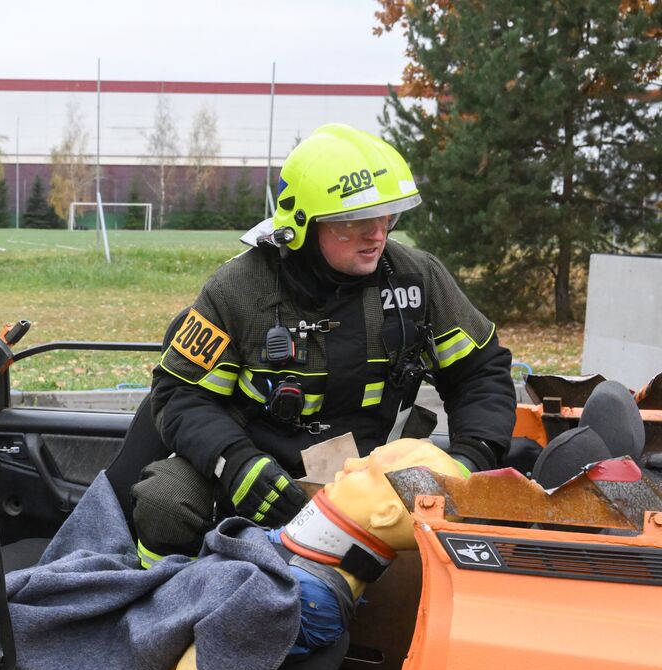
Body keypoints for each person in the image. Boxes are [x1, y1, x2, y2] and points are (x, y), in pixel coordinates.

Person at [131, 124, 516, 565]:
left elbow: (481, 371)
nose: (378, 234)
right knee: (165, 500)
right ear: (303, 225)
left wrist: (466, 462)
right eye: (356, 221)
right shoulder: (238, 290)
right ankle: (162, 608)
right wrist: (235, 463)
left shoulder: (417, 278)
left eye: (387, 216)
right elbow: (180, 393)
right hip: (260, 476)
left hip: (376, 479)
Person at [0, 438, 464, 670]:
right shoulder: (295, 576)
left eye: (367, 469)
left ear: (383, 516)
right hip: (144, 612)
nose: (348, 463)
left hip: (123, 648)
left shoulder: (276, 595)